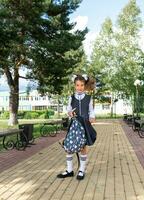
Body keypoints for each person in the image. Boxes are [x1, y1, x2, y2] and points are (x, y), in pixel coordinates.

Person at [57, 74, 96, 180]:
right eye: (77, 85)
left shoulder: (88, 98)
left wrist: (92, 117)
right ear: (75, 86)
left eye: (82, 85)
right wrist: (70, 113)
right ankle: (69, 170)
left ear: (85, 86)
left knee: (83, 147)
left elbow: (91, 110)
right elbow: (68, 110)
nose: (79, 87)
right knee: (69, 146)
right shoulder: (71, 97)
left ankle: (81, 170)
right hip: (74, 124)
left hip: (84, 124)